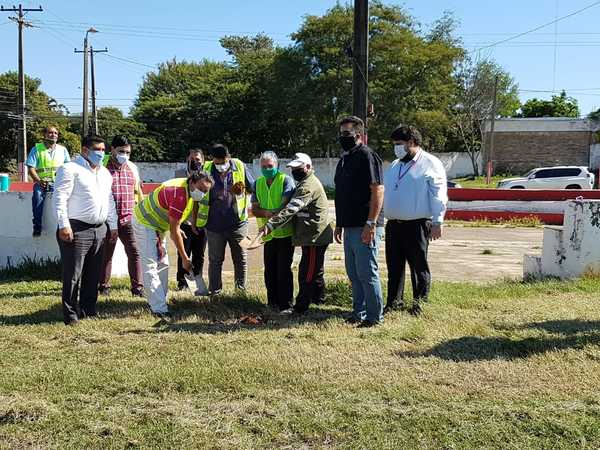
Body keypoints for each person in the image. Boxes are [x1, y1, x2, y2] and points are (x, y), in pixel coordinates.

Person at [383, 125, 447, 316]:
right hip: (394, 224)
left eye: (399, 144)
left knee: (418, 266)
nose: (396, 147)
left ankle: (420, 304)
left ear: (411, 142)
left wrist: (438, 221)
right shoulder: (396, 165)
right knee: (394, 266)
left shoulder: (430, 163)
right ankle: (394, 302)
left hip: (417, 224)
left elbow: (439, 194)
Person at [53, 135, 117, 326]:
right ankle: (70, 314)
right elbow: (60, 198)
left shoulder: (105, 173)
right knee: (73, 274)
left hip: (99, 228)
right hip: (76, 228)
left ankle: (89, 309)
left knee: (93, 273)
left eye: (104, 150)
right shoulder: (70, 169)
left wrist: (112, 226)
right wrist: (64, 225)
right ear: (84, 150)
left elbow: (109, 201)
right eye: (98, 149)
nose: (101, 153)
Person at [132, 171, 214, 319]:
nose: (202, 193)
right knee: (150, 265)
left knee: (163, 263)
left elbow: (180, 218)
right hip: (145, 223)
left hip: (159, 225)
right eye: (201, 189)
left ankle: (159, 299)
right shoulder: (179, 194)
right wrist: (184, 258)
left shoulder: (190, 189)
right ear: (193, 182)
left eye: (205, 191)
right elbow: (174, 232)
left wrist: (178, 227)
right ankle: (159, 309)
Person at [261, 153, 333, 315]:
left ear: (308, 167)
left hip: (315, 236)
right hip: (309, 235)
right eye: (293, 169)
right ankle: (318, 299)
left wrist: (271, 225)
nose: (295, 171)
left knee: (307, 272)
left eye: (298, 168)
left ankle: (301, 307)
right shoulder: (304, 182)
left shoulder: (308, 186)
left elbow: (292, 208)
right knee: (315, 270)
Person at [334, 116, 385, 328]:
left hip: (365, 224)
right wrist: (339, 223)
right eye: (341, 133)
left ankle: (375, 317)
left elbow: (378, 189)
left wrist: (371, 223)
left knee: (367, 272)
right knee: (353, 273)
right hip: (349, 225)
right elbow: (342, 193)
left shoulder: (367, 156)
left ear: (359, 135)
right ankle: (359, 312)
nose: (343, 137)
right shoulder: (345, 158)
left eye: (347, 133)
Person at [193, 144, 254, 295]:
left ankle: (240, 292)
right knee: (215, 260)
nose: (220, 165)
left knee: (240, 258)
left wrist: (243, 191)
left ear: (228, 157)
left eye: (223, 161)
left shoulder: (240, 166)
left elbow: (253, 187)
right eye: (217, 162)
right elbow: (195, 197)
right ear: (212, 159)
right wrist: (194, 221)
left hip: (237, 223)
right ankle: (215, 292)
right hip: (214, 225)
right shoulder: (205, 169)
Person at [98, 136, 144, 297]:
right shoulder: (101, 167)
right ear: (112, 150)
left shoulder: (132, 167)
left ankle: (137, 288)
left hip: (129, 218)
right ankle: (103, 286)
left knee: (134, 252)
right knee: (106, 253)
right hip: (107, 220)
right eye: (121, 151)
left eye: (128, 152)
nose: (124, 155)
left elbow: (138, 191)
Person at [251, 151, 295, 312]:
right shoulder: (257, 183)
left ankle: (286, 304)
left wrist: (267, 212)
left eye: (270, 166)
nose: (267, 169)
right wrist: (268, 213)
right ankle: (272, 302)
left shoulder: (286, 181)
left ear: (277, 166)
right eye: (264, 167)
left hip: (285, 234)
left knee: (283, 270)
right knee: (270, 271)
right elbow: (254, 210)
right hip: (267, 235)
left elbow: (285, 206)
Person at [175, 149, 208, 295]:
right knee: (183, 252)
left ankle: (197, 279)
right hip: (183, 222)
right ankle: (182, 282)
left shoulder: (207, 176)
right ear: (187, 160)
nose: (195, 162)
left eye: (198, 160)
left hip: (201, 223)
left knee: (199, 253)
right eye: (192, 159)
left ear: (203, 161)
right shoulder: (180, 174)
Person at [26, 125, 70, 236]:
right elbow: (31, 168)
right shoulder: (36, 149)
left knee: (66, 201)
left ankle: (64, 226)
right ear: (44, 135)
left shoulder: (62, 150)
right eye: (50, 132)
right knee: (37, 197)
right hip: (42, 182)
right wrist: (39, 181)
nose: (53, 135)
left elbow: (68, 167)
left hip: (58, 183)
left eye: (55, 133)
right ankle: (37, 227)